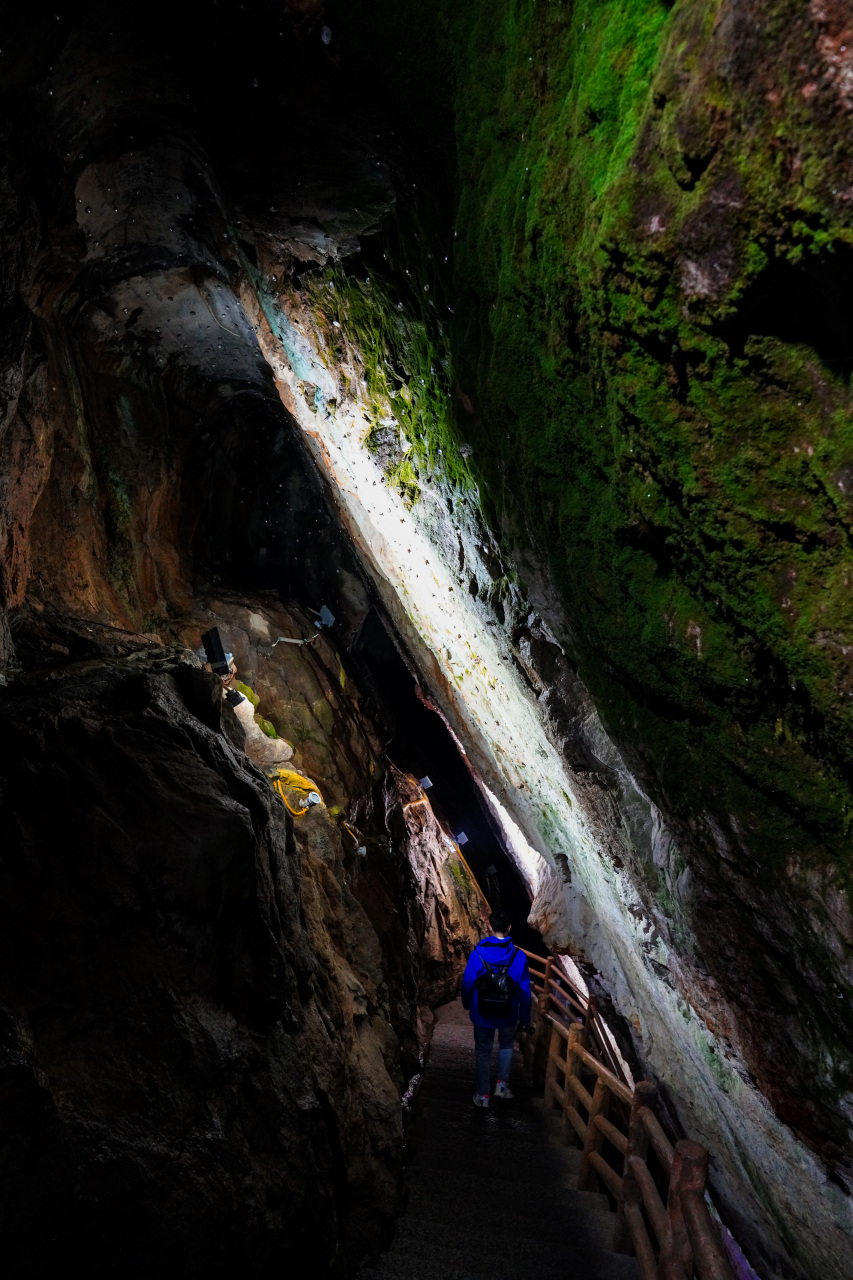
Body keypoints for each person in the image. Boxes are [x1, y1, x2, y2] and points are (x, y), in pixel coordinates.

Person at [461, 909, 532, 1108]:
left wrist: (467, 1004)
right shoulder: (518, 956)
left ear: (489, 926)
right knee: (507, 1046)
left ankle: (483, 1096)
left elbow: (467, 983)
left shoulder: (477, 954)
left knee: (483, 1051)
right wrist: (525, 1018)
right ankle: (501, 1086)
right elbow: (524, 991)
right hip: (508, 1012)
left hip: (482, 1013)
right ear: (509, 928)